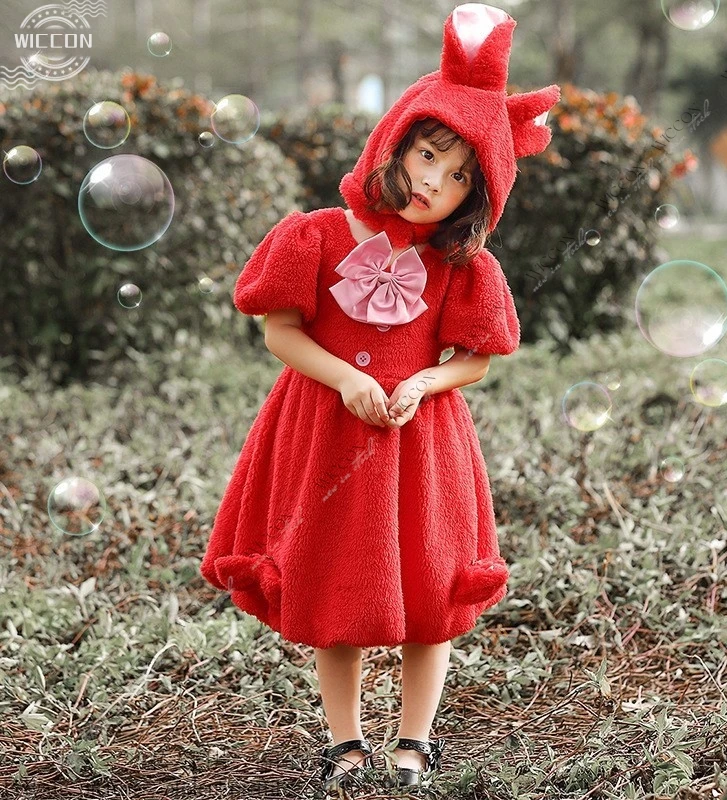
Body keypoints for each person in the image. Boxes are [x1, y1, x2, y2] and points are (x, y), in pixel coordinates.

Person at [199, 2, 560, 793]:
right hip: (330, 431)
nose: (436, 179)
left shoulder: (461, 268)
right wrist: (351, 377)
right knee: (341, 587)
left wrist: (426, 379)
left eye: (463, 173)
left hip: (421, 442)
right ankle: (344, 740)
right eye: (430, 152)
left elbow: (475, 362)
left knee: (431, 593)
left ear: (478, 196)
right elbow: (279, 334)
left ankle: (415, 739)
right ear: (393, 141)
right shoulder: (318, 236)